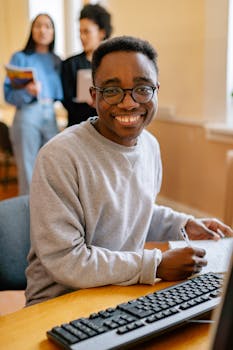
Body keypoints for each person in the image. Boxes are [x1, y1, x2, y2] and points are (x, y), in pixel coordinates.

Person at [25, 36, 233, 306]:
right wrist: (155, 265)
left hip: (118, 294)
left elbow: (134, 211)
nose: (129, 103)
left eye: (142, 89)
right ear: (93, 95)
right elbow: (67, 260)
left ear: (156, 90)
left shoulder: (149, 145)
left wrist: (183, 225)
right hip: (59, 303)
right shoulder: (59, 157)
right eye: (112, 91)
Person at [4, 13, 63, 195]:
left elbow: (63, 93)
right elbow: (8, 95)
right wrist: (26, 92)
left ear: (53, 32)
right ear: (32, 30)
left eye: (48, 26)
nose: (42, 30)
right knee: (28, 168)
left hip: (50, 113)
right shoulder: (19, 57)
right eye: (38, 26)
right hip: (27, 114)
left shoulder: (57, 61)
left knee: (54, 166)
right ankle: (28, 217)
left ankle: (51, 215)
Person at [61, 3, 112, 127]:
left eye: (86, 32)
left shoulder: (113, 65)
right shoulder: (70, 64)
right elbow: (66, 101)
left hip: (107, 128)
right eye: (80, 32)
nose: (81, 37)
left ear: (102, 32)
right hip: (77, 128)